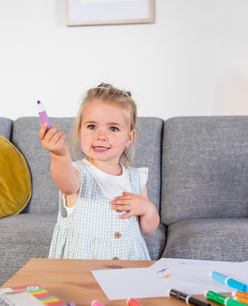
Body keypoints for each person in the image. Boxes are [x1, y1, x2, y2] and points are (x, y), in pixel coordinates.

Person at [38, 83, 160, 260]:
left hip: (128, 270)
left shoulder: (136, 178)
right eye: (92, 126)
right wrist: (59, 154)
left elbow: (146, 229)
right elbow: (66, 185)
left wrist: (149, 210)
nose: (101, 136)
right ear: (80, 130)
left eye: (113, 128)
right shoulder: (77, 173)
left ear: (129, 137)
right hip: (83, 272)